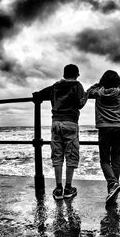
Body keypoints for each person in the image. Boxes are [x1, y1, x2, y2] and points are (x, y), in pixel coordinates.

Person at [33, 64, 86, 200]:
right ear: (76, 74)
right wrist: (87, 95)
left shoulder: (55, 86)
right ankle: (68, 188)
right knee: (71, 155)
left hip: (55, 123)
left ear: (64, 74)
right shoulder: (77, 85)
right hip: (70, 123)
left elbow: (41, 94)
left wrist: (37, 95)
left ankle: (58, 189)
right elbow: (80, 103)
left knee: (57, 155)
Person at [87, 70, 120, 205]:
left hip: (104, 128)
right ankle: (113, 189)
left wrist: (101, 83)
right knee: (116, 161)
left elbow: (89, 90)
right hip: (118, 128)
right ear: (118, 81)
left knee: (104, 160)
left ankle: (112, 185)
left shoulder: (98, 92)